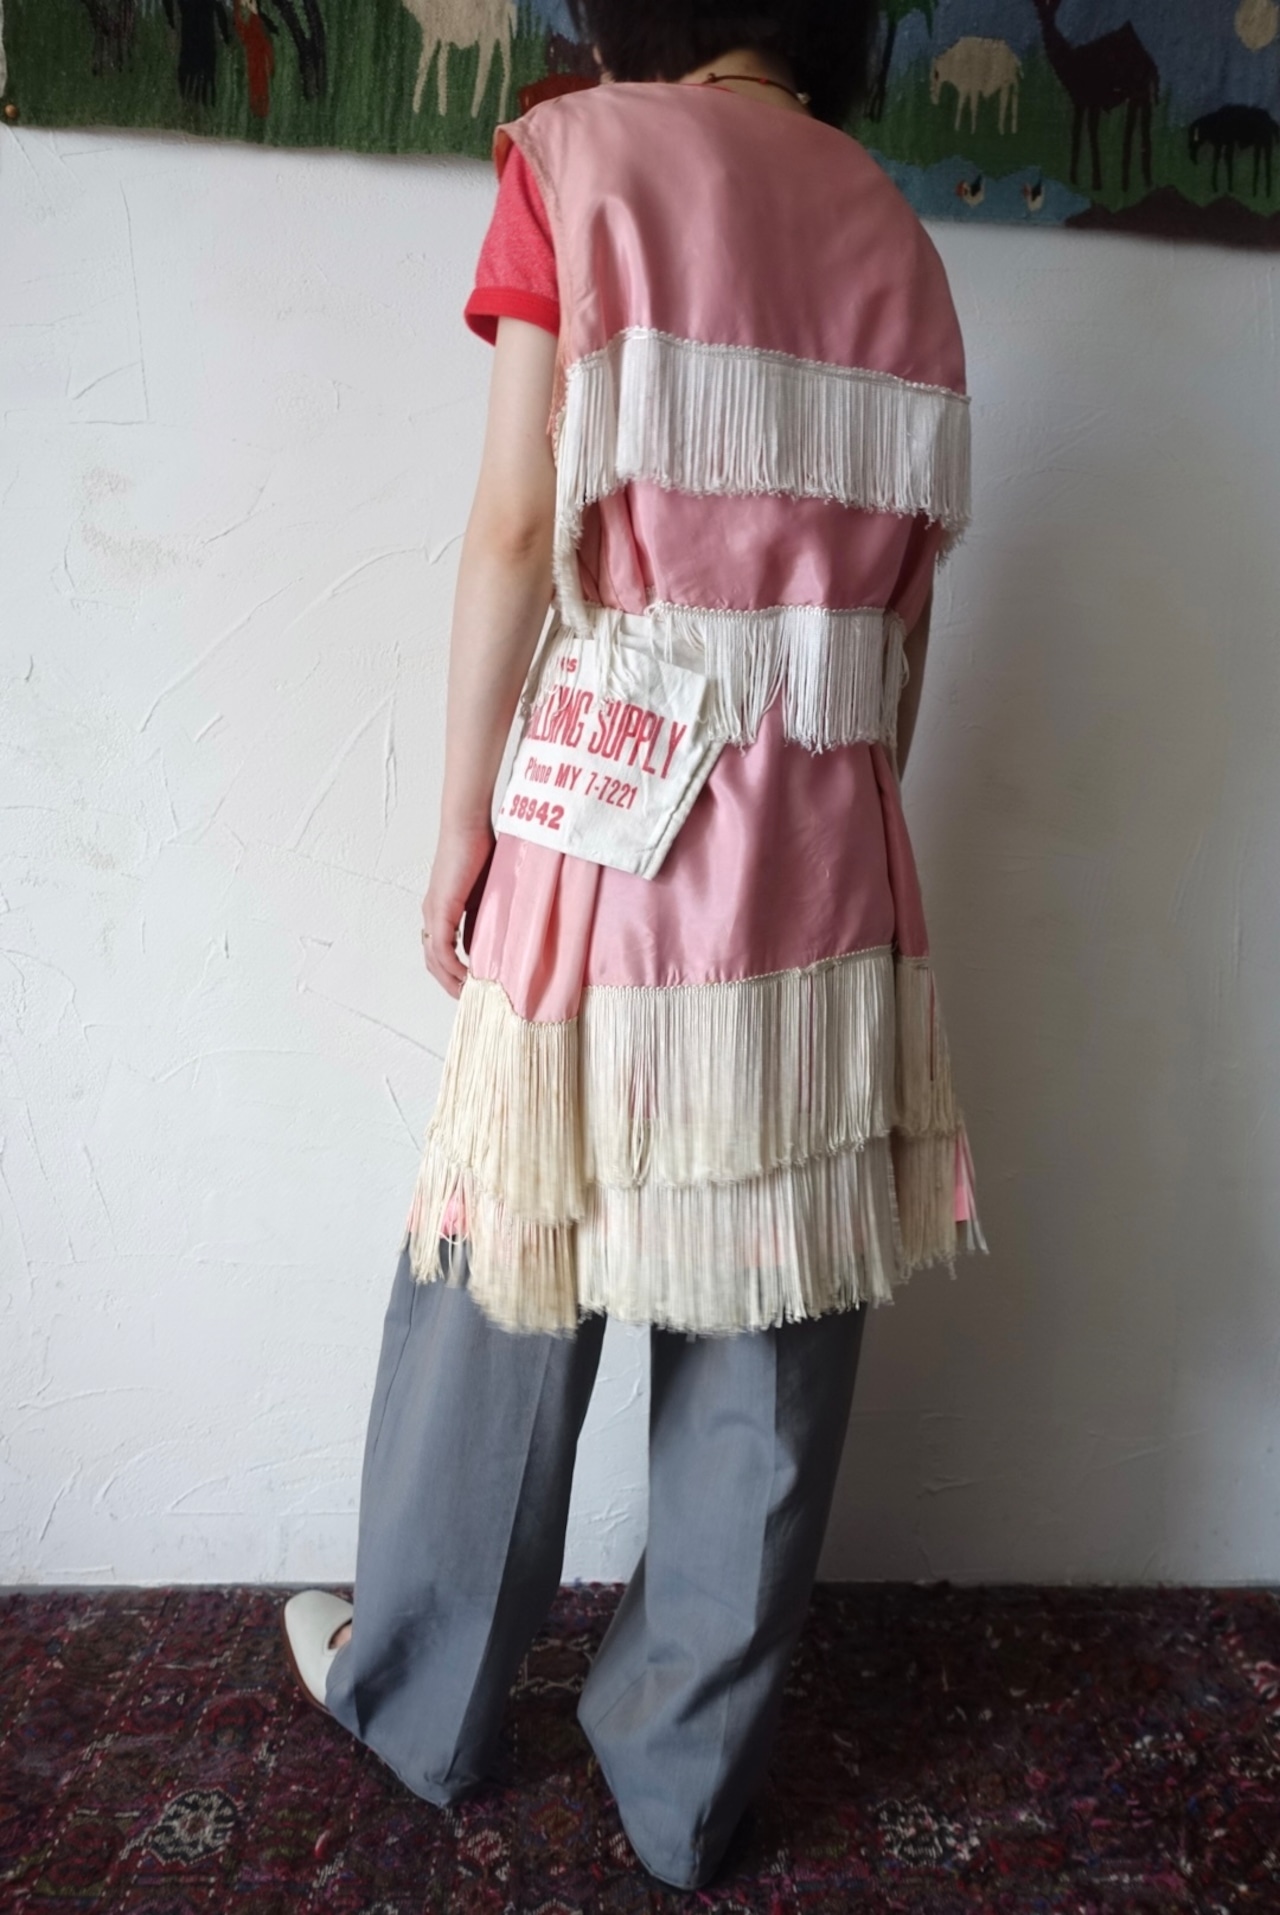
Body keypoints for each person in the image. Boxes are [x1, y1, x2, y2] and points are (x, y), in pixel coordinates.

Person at [281, 0, 987, 1891]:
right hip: (826, 844)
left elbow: (521, 527)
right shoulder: (898, 232)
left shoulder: (575, 160)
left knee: (507, 1254)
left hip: (611, 811)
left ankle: (419, 1700)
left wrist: (460, 821)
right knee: (777, 1284)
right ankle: (683, 1780)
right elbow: (906, 626)